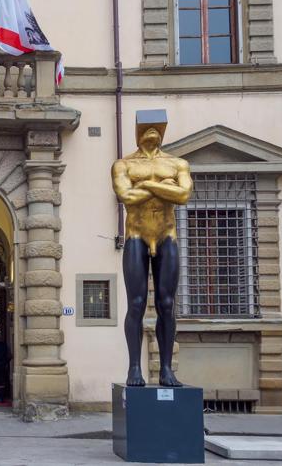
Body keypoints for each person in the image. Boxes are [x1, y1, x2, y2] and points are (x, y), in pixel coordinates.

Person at [111, 109, 192, 387]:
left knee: (166, 305)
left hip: (166, 235)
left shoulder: (177, 163)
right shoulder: (123, 165)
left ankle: (166, 369)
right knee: (135, 304)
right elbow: (126, 196)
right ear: (137, 132)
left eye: (157, 127)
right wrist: (158, 185)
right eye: (146, 127)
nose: (152, 131)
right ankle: (135, 368)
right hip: (136, 236)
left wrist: (144, 186)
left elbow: (183, 195)